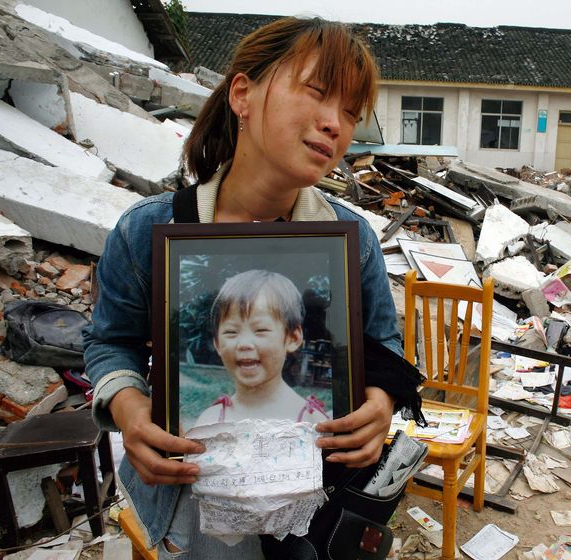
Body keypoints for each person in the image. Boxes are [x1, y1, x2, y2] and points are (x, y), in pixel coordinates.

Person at [83, 16, 411, 559]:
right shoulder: (147, 232)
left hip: (317, 509)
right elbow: (108, 340)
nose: (335, 124)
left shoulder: (353, 241)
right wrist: (129, 411)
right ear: (243, 94)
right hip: (195, 513)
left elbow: (383, 346)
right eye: (318, 93)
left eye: (351, 113)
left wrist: (380, 402)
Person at [192, 269, 329, 428]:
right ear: (217, 344)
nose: (244, 344)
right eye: (231, 332)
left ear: (293, 338)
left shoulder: (312, 422)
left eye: (261, 330)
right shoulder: (209, 422)